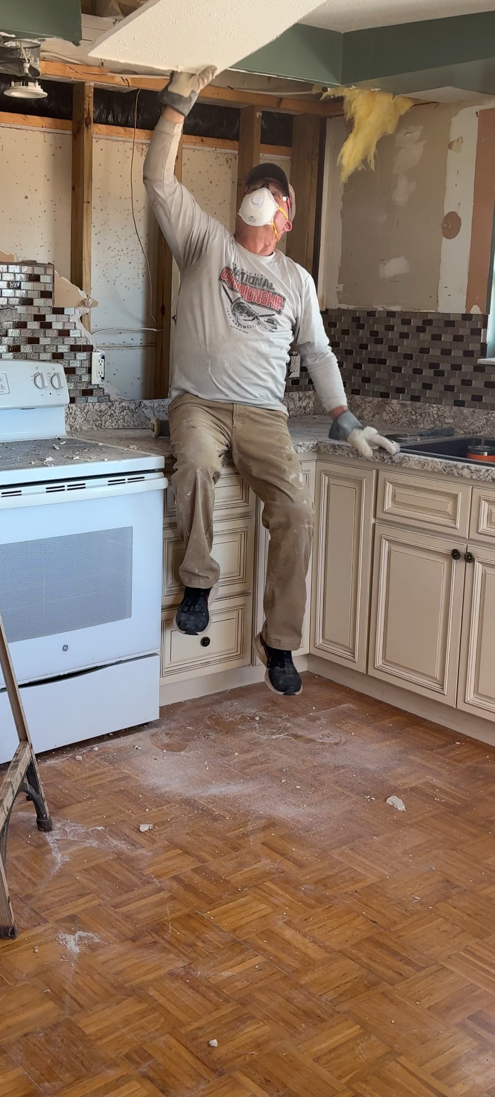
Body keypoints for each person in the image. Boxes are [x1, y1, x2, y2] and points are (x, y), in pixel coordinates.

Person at [144, 67, 398, 697]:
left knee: (297, 513)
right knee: (195, 465)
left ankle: (279, 642)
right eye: (255, 186)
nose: (262, 193)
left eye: (273, 190)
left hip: (263, 414)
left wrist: (345, 419)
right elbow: (158, 180)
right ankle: (198, 581)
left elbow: (318, 353)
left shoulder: (297, 281)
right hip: (199, 405)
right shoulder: (204, 243)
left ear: (286, 215)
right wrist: (176, 108)